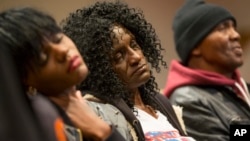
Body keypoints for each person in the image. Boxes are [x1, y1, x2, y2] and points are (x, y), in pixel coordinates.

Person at [62, 1, 195, 141]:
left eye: (134, 45)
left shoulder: (161, 103)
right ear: (99, 68)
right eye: (119, 56)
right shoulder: (98, 113)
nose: (136, 57)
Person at [0, 7, 125, 141]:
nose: (62, 51)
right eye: (43, 57)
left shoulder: (99, 108)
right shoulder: (42, 119)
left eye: (58, 38)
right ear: (24, 80)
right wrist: (101, 132)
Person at [162, 0, 250, 140]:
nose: (236, 35)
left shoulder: (242, 88)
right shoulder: (187, 99)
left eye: (234, 27)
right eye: (222, 28)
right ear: (195, 47)